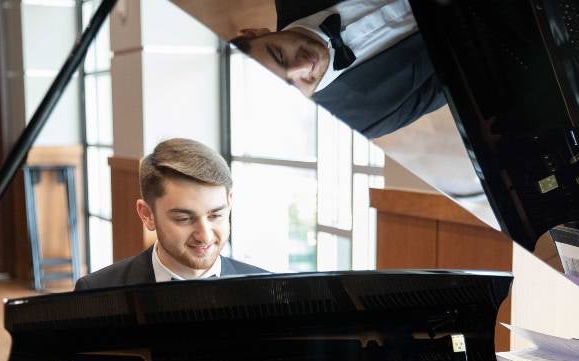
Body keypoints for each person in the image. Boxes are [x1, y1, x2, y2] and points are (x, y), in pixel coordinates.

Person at [230, 0, 446, 139]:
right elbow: (454, 84)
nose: (305, 66)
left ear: (254, 33)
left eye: (279, 55)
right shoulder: (360, 123)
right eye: (292, 88)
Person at [75, 138, 265, 290]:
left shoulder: (264, 289)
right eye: (184, 219)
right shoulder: (96, 291)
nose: (204, 236)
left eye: (215, 215)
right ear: (147, 215)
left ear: (229, 202)